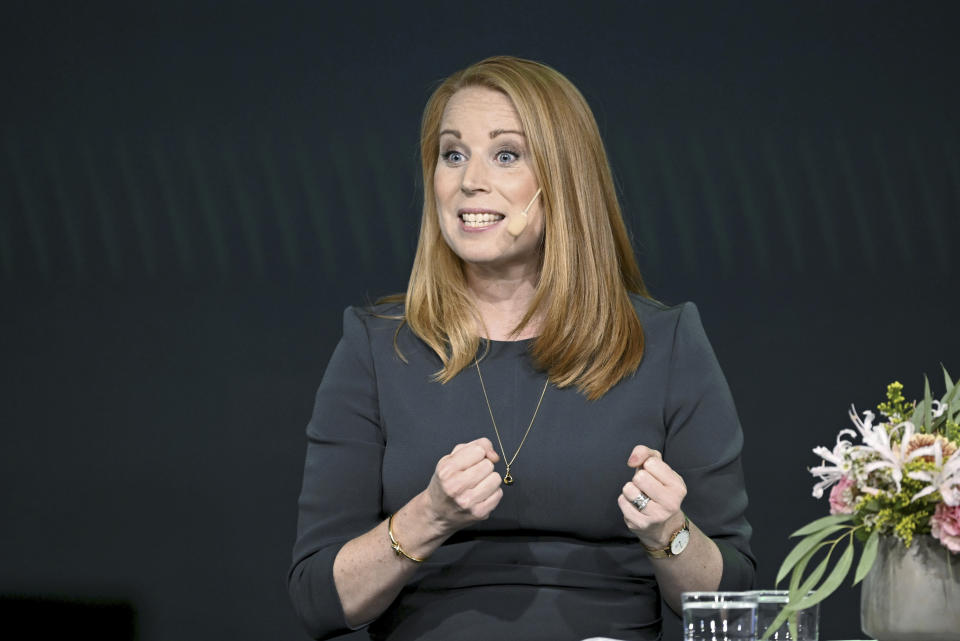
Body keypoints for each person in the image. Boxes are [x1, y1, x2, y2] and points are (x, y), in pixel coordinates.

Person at [288, 56, 754, 641]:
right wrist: (427, 516)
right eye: (452, 154)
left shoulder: (664, 343)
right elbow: (318, 600)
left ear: (563, 179)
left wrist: (671, 534)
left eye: (505, 155)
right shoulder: (378, 345)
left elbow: (735, 601)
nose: (468, 180)